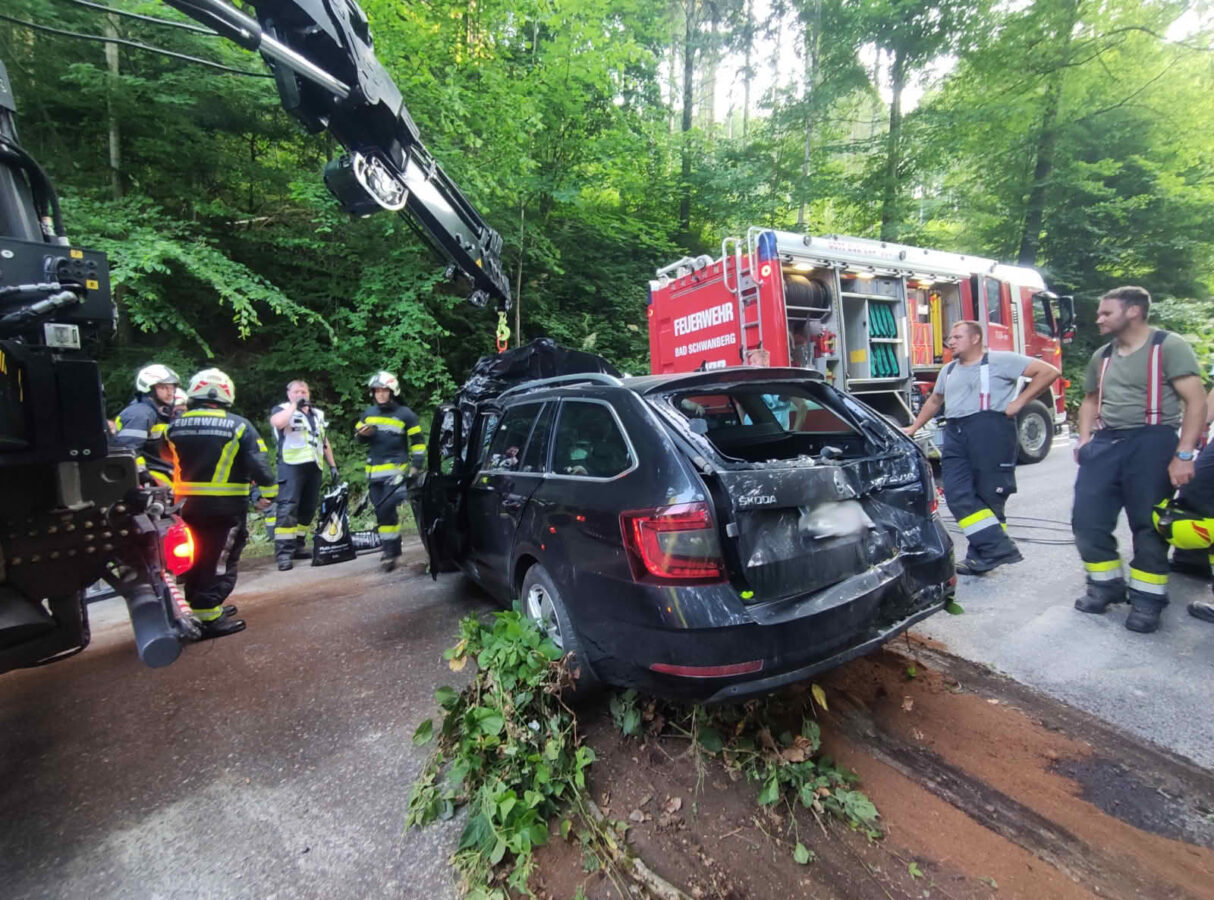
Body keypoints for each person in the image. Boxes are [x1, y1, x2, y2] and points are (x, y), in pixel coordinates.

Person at [1071, 286, 1206, 633]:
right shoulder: (1102, 355)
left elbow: (1196, 401)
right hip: (1105, 443)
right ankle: (1105, 586)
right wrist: (1085, 440)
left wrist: (1184, 455)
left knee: (1148, 524)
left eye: (1105, 313)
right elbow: (1089, 400)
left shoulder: (1168, 347)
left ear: (1133, 312)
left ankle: (1147, 600)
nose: (1098, 319)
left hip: (1152, 440)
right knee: (1087, 519)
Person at [904, 320, 1060, 575]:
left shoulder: (1002, 360)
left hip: (991, 431)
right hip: (956, 433)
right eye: (950, 337)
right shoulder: (949, 370)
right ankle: (999, 548)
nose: (950, 342)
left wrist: (1020, 402)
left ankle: (981, 558)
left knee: (990, 496)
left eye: (957, 337)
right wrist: (913, 427)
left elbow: (1049, 372)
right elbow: (935, 400)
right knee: (955, 494)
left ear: (975, 338)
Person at [166, 368, 275, 639]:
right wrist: (269, 492)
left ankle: (204, 607)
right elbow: (257, 462)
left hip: (184, 505)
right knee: (220, 557)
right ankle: (209, 616)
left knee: (196, 553)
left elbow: (163, 460)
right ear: (226, 392)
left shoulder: (174, 425)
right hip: (224, 506)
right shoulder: (238, 425)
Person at [355, 371, 425, 572]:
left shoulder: (406, 415)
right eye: (377, 391)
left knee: (387, 509)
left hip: (396, 473)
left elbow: (418, 443)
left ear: (392, 391)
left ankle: (392, 552)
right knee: (382, 514)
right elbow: (359, 439)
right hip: (374, 473)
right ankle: (390, 551)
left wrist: (416, 466)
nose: (380, 394)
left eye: (384, 391)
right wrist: (362, 435)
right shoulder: (368, 414)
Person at [269, 380, 339, 571]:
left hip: (314, 466)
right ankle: (284, 553)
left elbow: (324, 440)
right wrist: (294, 405)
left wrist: (332, 465)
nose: (301, 394)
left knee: (308, 508)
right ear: (289, 393)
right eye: (297, 391)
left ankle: (298, 545)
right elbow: (278, 423)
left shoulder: (317, 414)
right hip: (291, 466)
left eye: (304, 391)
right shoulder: (282, 409)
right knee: (288, 507)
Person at [113, 364, 180, 487]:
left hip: (164, 473)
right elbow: (127, 450)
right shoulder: (140, 414)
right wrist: (145, 476)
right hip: (152, 478)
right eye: (164, 388)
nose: (170, 393)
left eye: (172, 388)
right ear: (148, 388)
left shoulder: (161, 413)